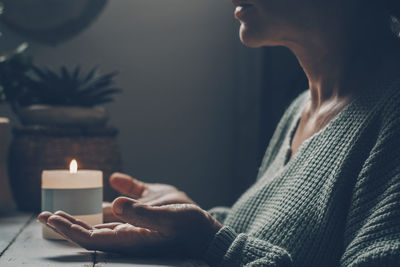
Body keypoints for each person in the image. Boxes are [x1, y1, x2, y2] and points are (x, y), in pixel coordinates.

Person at [38, 0, 400, 266]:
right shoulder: (302, 109)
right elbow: (267, 240)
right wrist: (193, 221)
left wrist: (210, 239)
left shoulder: (392, 116)